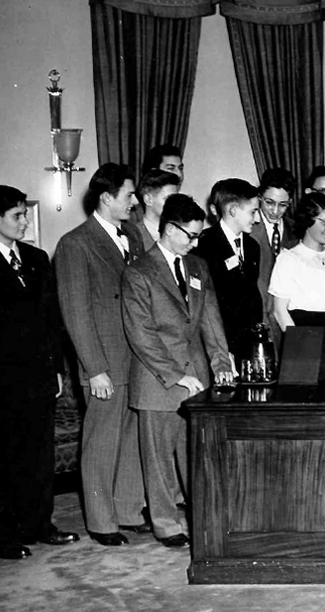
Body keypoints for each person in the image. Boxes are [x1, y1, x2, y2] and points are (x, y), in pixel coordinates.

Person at [0, 185, 79, 559]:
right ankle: (1, 537)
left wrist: (57, 369)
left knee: (39, 456)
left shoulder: (36, 258)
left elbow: (51, 320)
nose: (25, 222)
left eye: (25, 214)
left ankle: (38, 524)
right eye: (17, 216)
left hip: (39, 378)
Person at [122, 194, 233, 547]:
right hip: (158, 381)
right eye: (190, 235)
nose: (195, 243)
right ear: (169, 229)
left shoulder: (198, 266)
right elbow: (141, 335)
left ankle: (202, 518)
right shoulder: (139, 272)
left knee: (195, 456)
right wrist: (176, 375)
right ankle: (166, 525)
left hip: (197, 378)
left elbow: (210, 320)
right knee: (158, 460)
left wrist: (221, 363)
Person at [56, 163, 148, 546]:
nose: (135, 201)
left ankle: (127, 511)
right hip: (105, 362)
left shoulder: (133, 237)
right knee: (101, 441)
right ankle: (100, 520)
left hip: (136, 358)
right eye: (129, 194)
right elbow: (76, 313)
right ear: (107, 198)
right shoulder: (75, 244)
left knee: (131, 438)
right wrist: (94, 369)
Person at [269, 193, 325, 361]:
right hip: (303, 335)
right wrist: (300, 347)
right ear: (308, 220)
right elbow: (279, 311)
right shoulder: (289, 259)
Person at [192, 179, 263, 361]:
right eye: (253, 212)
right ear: (233, 210)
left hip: (249, 344)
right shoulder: (204, 245)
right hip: (219, 342)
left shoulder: (253, 246)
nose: (257, 219)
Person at [249, 168, 297, 339]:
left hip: (287, 323)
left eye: (283, 205)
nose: (275, 211)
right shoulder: (247, 230)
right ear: (259, 197)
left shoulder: (297, 231)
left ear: (290, 201)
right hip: (257, 324)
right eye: (269, 202)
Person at [134, 170, 180, 250]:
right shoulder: (133, 236)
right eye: (168, 199)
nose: (175, 204)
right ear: (148, 199)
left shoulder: (181, 235)